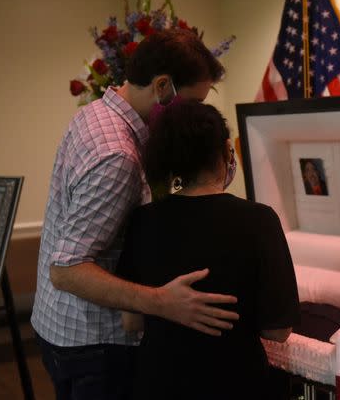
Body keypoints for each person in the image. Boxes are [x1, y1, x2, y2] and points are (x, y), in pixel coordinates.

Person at [31, 28, 239, 400]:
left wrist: (217, 159)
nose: (193, 116)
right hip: (95, 345)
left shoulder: (98, 115)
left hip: (60, 325)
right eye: (192, 104)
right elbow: (65, 269)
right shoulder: (118, 155)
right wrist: (163, 302)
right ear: (162, 86)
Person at [117, 101, 300, 400]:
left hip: (158, 382)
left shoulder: (142, 220)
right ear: (228, 150)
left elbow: (131, 322)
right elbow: (277, 331)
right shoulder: (259, 220)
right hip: (235, 382)